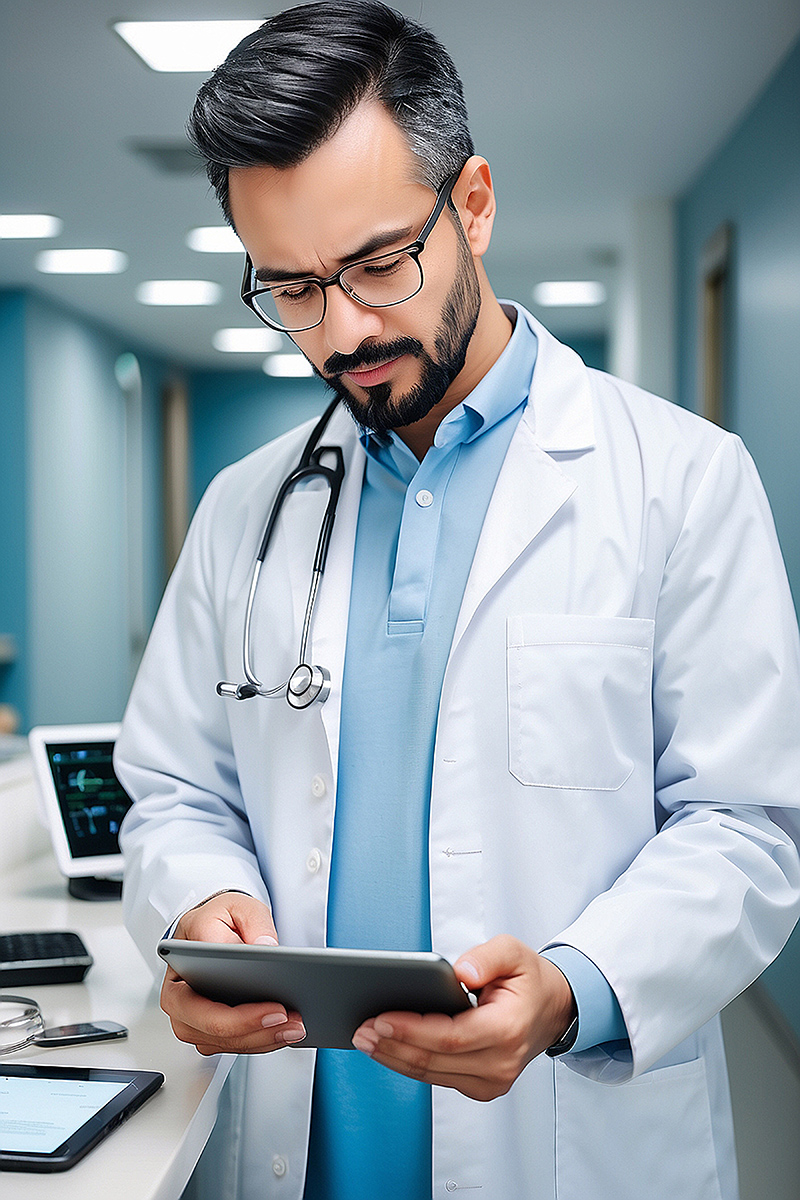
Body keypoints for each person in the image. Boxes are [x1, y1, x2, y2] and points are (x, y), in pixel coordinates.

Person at [115, 3, 800, 1198]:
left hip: (570, 1144)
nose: (343, 330)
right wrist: (204, 899)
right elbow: (175, 788)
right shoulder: (242, 508)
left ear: (472, 202)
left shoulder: (679, 481)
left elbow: (747, 829)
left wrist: (575, 988)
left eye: (380, 264)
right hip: (305, 1151)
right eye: (289, 289)